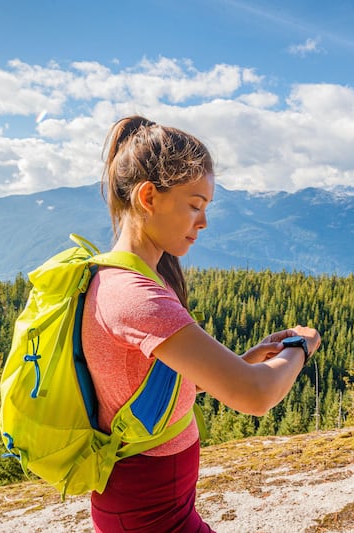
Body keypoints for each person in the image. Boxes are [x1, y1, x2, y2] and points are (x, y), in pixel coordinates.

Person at [82, 115, 321, 532]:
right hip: (149, 514)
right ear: (148, 197)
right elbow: (256, 396)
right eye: (194, 205)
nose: (203, 222)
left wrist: (242, 360)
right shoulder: (137, 296)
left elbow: (147, 390)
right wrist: (300, 348)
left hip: (154, 504)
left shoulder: (128, 281)